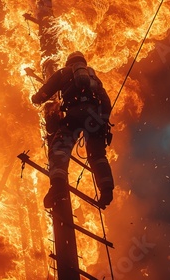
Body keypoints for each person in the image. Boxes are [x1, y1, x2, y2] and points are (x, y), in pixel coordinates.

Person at [31, 51, 114, 209]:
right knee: (98, 156)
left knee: (59, 149)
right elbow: (105, 101)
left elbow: (47, 89)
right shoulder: (93, 77)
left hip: (74, 115)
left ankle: (58, 187)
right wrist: (101, 121)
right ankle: (107, 191)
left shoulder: (64, 72)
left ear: (69, 62)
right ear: (83, 62)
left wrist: (37, 98)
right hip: (95, 119)